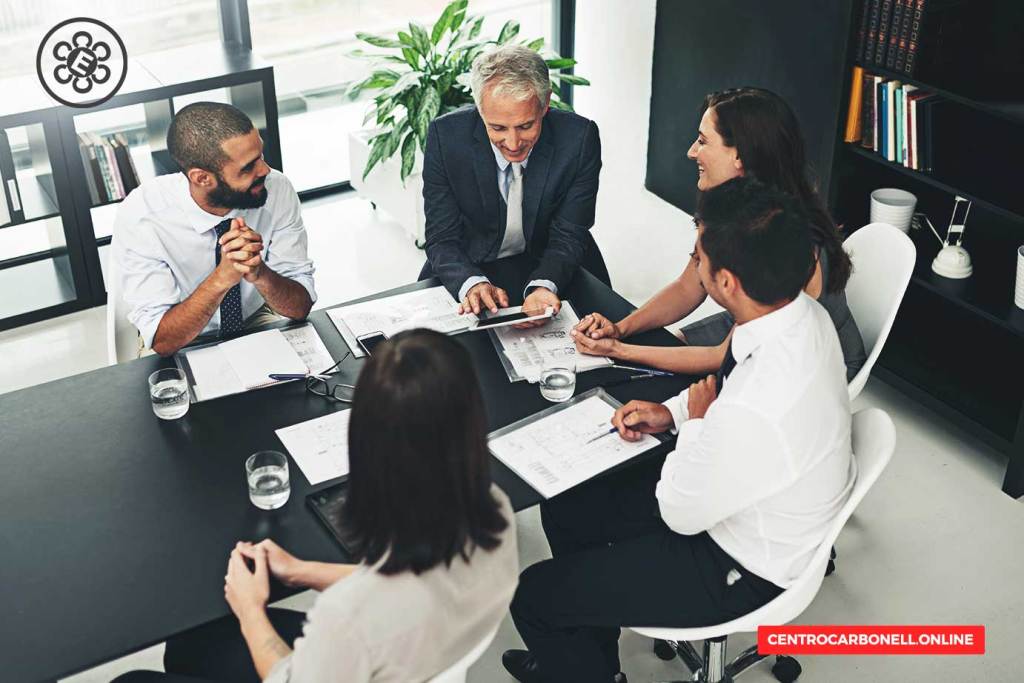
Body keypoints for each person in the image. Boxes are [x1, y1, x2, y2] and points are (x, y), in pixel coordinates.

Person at [502, 178, 856, 683]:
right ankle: (592, 665)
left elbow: (680, 512)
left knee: (534, 597)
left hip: (740, 564)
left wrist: (698, 425)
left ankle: (578, 663)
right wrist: (673, 414)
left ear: (726, 283)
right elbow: (722, 400)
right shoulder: (801, 316)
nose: (693, 264)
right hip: (759, 505)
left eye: (698, 258)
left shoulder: (758, 406)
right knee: (568, 502)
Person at [113, 329, 519, 683]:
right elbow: (411, 584)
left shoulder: (348, 618)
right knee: (191, 645)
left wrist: (250, 609)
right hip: (421, 652)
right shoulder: (495, 512)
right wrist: (303, 571)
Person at [573, 87, 867, 381]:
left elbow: (722, 357)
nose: (691, 152)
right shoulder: (729, 200)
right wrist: (621, 328)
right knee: (664, 349)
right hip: (744, 321)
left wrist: (620, 350)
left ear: (739, 155)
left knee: (659, 374)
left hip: (814, 361)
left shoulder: (778, 235)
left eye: (702, 141)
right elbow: (688, 287)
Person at [421, 43, 609, 320]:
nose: (512, 143)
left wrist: (544, 285)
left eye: (525, 126)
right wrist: (472, 283)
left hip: (553, 262)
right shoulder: (445, 136)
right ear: (480, 109)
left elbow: (570, 233)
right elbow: (441, 237)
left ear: (545, 104)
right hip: (469, 263)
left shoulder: (579, 139)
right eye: (497, 128)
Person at [113, 102, 316, 357]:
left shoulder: (276, 188)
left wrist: (260, 273)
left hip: (255, 319)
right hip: (181, 334)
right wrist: (222, 278)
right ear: (202, 178)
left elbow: (300, 308)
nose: (264, 170)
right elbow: (163, 341)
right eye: (248, 167)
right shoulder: (143, 216)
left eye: (261, 156)